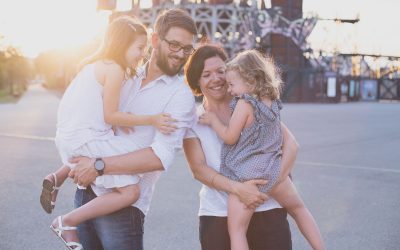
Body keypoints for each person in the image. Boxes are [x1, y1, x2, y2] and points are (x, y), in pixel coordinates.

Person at [40, 16, 178, 250]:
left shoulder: (94, 65)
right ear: (122, 44)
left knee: (117, 149)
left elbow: (101, 111)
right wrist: (152, 119)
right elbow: (110, 115)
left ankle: (59, 177)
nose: (143, 54)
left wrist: (119, 122)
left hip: (71, 137)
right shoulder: (114, 69)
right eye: (139, 48)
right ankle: (67, 222)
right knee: (130, 191)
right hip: (86, 138)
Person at [67, 9, 198, 250]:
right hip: (86, 192)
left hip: (124, 208)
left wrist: (98, 164)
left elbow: (160, 156)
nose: (181, 54)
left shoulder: (181, 96)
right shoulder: (124, 72)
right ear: (156, 40)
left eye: (187, 49)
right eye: (174, 45)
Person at [195, 49, 325, 250]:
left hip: (247, 177)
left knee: (237, 230)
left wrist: (212, 121)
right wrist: (276, 177)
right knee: (299, 209)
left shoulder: (243, 105)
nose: (230, 90)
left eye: (232, 84)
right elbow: (285, 140)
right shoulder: (272, 103)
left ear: (249, 80)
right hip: (273, 172)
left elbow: (230, 137)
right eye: (207, 74)